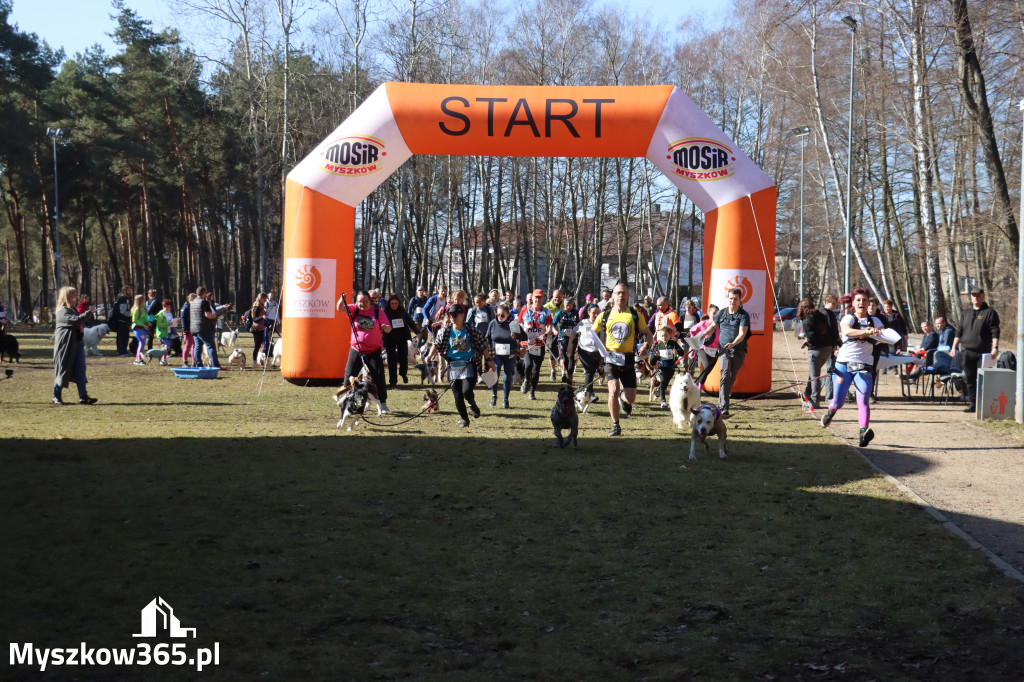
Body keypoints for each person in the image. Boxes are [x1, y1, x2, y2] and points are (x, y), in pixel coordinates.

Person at [820, 288, 884, 447]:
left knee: (863, 400)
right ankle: (831, 411)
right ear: (853, 303)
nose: (861, 303)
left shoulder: (876, 321)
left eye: (864, 300)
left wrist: (880, 334)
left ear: (869, 303)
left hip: (864, 366)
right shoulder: (848, 318)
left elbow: (885, 336)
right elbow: (847, 332)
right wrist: (866, 332)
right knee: (838, 402)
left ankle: (863, 432)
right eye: (858, 300)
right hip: (844, 365)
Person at [592, 282, 653, 436]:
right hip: (610, 358)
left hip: (628, 359)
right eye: (618, 293)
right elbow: (592, 333)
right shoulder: (605, 315)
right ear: (612, 296)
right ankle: (615, 425)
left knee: (631, 398)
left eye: (624, 293)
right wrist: (602, 351)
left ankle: (622, 397)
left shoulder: (634, 315)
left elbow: (648, 334)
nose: (621, 296)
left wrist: (646, 346)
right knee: (613, 390)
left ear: (628, 296)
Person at [430, 303, 492, 427]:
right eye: (450, 315)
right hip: (453, 367)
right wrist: (429, 356)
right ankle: (465, 419)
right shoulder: (446, 331)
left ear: (462, 315)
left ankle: (471, 403)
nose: (452, 317)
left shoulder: (471, 330)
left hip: (469, 366)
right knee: (457, 396)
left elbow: (483, 344)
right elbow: (436, 344)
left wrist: (488, 359)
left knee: (466, 391)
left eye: (455, 315)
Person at [337, 290, 392, 413]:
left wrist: (386, 327)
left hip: (373, 351)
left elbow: (389, 328)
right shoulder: (354, 309)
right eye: (359, 301)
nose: (362, 304)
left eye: (364, 301)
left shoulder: (377, 311)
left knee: (378, 378)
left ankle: (382, 403)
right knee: (349, 376)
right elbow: (340, 308)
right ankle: (347, 400)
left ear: (370, 301)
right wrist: (342, 299)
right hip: (356, 349)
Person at [699, 287, 750, 416]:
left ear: (740, 300)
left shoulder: (744, 315)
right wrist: (703, 334)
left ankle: (725, 396)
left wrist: (733, 343)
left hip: (738, 350)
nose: (732, 301)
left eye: (735, 299)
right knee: (725, 374)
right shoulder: (722, 313)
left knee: (732, 376)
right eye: (731, 298)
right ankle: (723, 407)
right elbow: (713, 326)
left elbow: (742, 334)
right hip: (723, 349)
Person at [951, 286, 1001, 413]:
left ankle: (984, 404)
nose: (975, 297)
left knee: (983, 380)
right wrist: (954, 347)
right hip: (967, 351)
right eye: (973, 295)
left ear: (983, 296)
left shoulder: (989, 312)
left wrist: (995, 347)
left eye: (978, 295)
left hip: (983, 352)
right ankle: (973, 403)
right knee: (970, 378)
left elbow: (995, 331)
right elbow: (959, 331)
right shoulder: (966, 312)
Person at [52, 286, 98, 405]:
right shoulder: (62, 311)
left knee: (80, 370)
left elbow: (79, 321)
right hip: (66, 346)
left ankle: (83, 396)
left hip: (77, 343)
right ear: (67, 296)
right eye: (74, 295)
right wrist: (89, 312)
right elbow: (76, 320)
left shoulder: (72, 309)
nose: (76, 297)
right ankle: (56, 396)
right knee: (63, 369)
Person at [797, 298, 839, 410]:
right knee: (814, 373)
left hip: (816, 350)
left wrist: (807, 341)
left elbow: (812, 336)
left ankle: (815, 400)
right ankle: (807, 394)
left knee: (814, 377)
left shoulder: (807, 319)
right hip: (827, 349)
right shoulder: (820, 315)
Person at [486, 303, 525, 408]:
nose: (500, 317)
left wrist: (516, 335)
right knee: (495, 373)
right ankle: (494, 396)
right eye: (498, 314)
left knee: (507, 376)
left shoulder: (513, 324)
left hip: (510, 354)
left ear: (508, 314)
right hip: (496, 354)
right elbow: (487, 338)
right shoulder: (492, 323)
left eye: (502, 315)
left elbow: (524, 336)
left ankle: (505, 399)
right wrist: (488, 352)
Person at [516, 289, 554, 400]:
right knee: (528, 365)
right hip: (527, 343)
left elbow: (550, 328)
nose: (538, 299)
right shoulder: (524, 310)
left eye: (540, 297)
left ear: (543, 299)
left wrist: (545, 335)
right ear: (532, 298)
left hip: (539, 344)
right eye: (536, 297)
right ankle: (526, 380)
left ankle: (532, 392)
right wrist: (519, 335)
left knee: (536, 369)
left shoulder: (546, 312)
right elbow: (518, 323)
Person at [382, 294, 419, 387]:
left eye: (396, 303)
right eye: (392, 303)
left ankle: (403, 374)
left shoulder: (402, 312)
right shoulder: (385, 313)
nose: (394, 305)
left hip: (402, 337)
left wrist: (417, 332)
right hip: (389, 339)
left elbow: (410, 322)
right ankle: (393, 381)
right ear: (389, 304)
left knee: (403, 357)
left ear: (399, 303)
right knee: (391, 359)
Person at [574, 304, 604, 402]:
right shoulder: (583, 323)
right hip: (584, 351)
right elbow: (573, 332)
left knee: (592, 372)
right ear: (588, 313)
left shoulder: (602, 324)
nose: (596, 315)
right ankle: (590, 394)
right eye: (594, 313)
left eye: (598, 313)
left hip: (597, 352)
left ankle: (579, 391)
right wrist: (570, 345)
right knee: (589, 371)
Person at [190, 287, 225, 369]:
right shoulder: (204, 302)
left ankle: (198, 364)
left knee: (197, 347)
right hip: (204, 328)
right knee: (211, 346)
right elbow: (208, 315)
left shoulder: (193, 302)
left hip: (194, 328)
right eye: (206, 293)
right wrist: (215, 315)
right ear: (203, 293)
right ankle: (215, 365)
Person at [651, 327, 686, 409]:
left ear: (670, 335)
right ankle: (663, 401)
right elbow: (652, 361)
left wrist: (677, 351)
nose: (664, 338)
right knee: (663, 381)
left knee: (665, 383)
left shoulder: (673, 344)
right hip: (662, 367)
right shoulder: (659, 345)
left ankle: (659, 390)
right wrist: (656, 356)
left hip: (671, 368)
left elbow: (682, 352)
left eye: (666, 336)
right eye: (662, 336)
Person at [689, 304, 720, 393]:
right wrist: (695, 343)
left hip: (715, 350)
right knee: (706, 365)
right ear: (709, 313)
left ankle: (696, 387)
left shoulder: (720, 325)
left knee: (707, 370)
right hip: (703, 348)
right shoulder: (703, 323)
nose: (715, 315)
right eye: (714, 313)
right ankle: (697, 388)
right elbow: (692, 331)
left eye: (717, 314)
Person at [552, 295, 580, 383]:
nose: (568, 307)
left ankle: (570, 376)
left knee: (571, 356)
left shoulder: (575, 313)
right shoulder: (560, 313)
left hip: (573, 337)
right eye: (567, 305)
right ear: (564, 305)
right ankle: (566, 372)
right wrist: (554, 330)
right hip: (562, 338)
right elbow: (553, 324)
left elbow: (578, 323)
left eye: (570, 305)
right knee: (564, 357)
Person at [544, 289, 565, 380]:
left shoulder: (565, 305)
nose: (557, 299)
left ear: (562, 297)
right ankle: (553, 370)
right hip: (551, 333)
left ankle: (563, 373)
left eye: (559, 297)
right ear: (552, 296)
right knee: (552, 354)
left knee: (562, 353)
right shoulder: (547, 307)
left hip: (563, 333)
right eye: (556, 297)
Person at [248, 293, 269, 364]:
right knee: (257, 346)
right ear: (260, 299)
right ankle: (254, 362)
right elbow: (254, 319)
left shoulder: (262, 307)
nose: (265, 301)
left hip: (262, 328)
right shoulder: (257, 307)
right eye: (264, 299)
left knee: (266, 344)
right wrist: (262, 317)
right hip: (256, 329)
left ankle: (265, 360)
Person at [129, 294, 150, 366]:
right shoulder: (137, 309)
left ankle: (138, 359)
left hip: (144, 328)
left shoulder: (144, 308)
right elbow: (134, 320)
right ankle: (138, 359)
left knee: (142, 343)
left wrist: (147, 323)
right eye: (143, 300)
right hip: (138, 328)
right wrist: (143, 325)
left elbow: (145, 318)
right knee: (141, 343)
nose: (144, 301)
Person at [154, 299, 176, 365]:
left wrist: (175, 322)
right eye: (165, 306)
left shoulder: (170, 313)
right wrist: (167, 324)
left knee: (167, 347)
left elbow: (171, 321)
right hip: (163, 332)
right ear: (163, 306)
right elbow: (159, 324)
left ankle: (164, 359)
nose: (167, 308)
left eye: (168, 306)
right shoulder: (161, 314)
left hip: (169, 331)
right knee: (166, 346)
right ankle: (162, 359)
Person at [113, 286, 133, 356]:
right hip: (122, 321)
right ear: (125, 291)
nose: (130, 291)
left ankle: (121, 351)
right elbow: (123, 311)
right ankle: (122, 352)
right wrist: (131, 314)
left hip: (121, 321)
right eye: (129, 290)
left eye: (130, 290)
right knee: (123, 337)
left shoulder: (120, 297)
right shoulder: (123, 299)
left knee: (121, 337)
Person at [180, 294, 196, 367]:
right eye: (193, 300)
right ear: (189, 300)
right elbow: (183, 319)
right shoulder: (185, 307)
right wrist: (185, 329)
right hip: (187, 330)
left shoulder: (193, 307)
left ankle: (194, 361)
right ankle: (185, 361)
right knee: (188, 345)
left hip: (194, 328)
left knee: (194, 346)